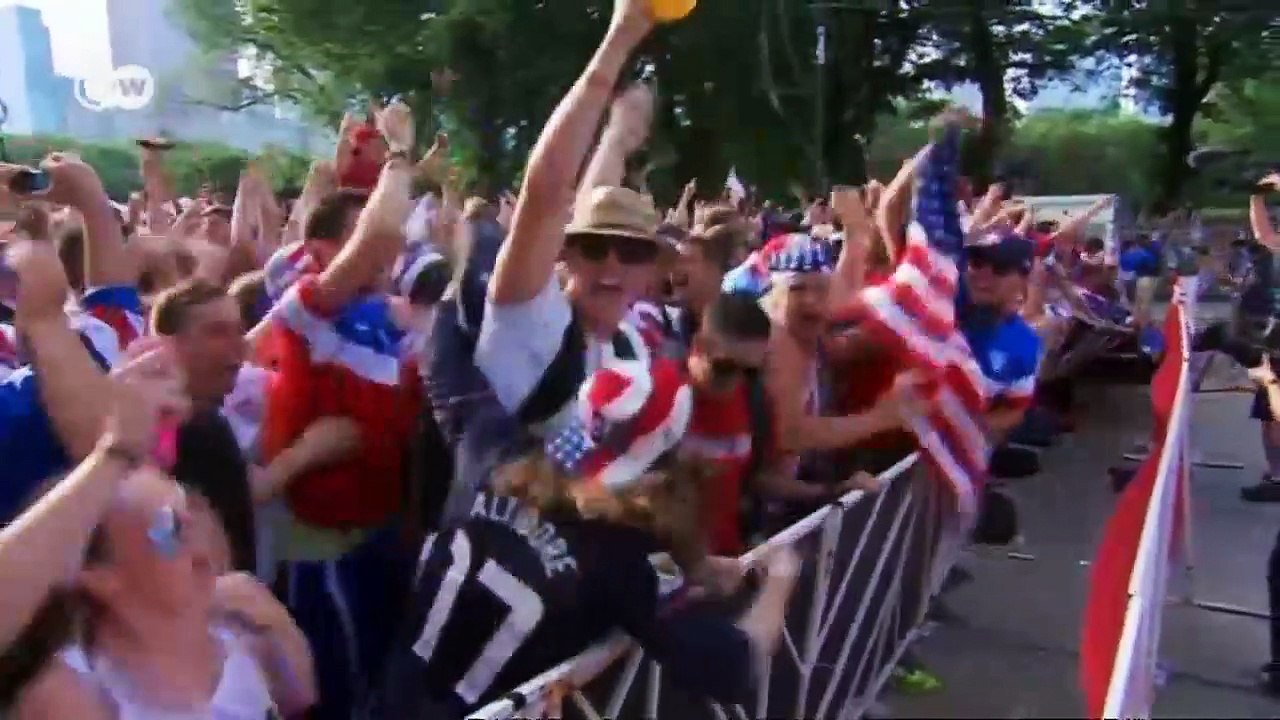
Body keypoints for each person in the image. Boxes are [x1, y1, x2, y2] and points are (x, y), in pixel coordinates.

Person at [375, 355, 801, 718]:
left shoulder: (489, 447)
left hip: (386, 700)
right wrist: (781, 579)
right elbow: (732, 667)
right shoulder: (619, 561)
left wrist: (699, 570)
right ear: (655, 473)